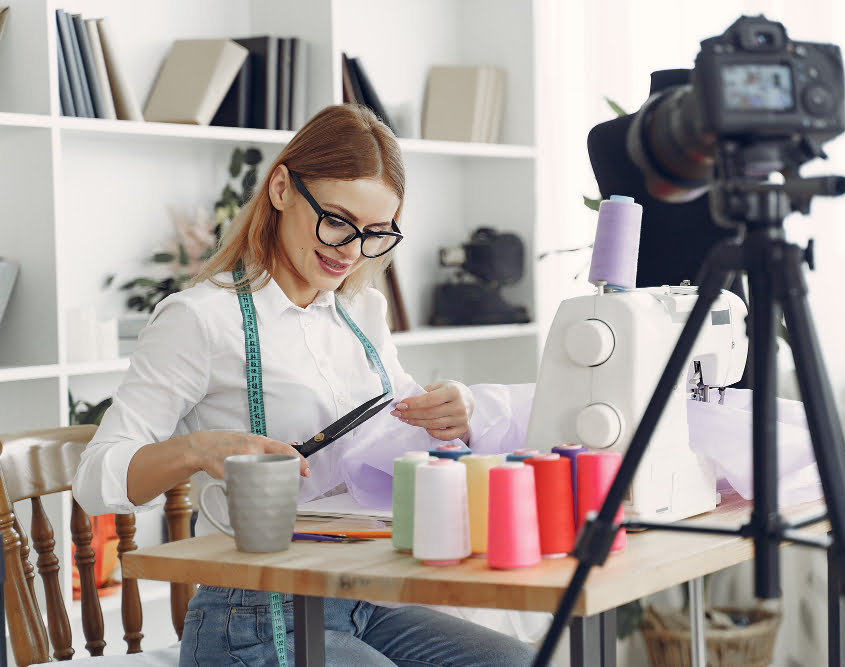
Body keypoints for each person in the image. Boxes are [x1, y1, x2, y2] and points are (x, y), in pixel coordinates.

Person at [72, 104, 537, 666]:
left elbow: (403, 431)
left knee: (513, 661)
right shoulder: (201, 320)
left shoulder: (362, 313)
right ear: (281, 188)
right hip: (252, 616)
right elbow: (96, 477)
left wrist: (453, 412)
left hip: (365, 598)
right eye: (337, 219)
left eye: (374, 233)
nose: (349, 249)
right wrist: (198, 450)